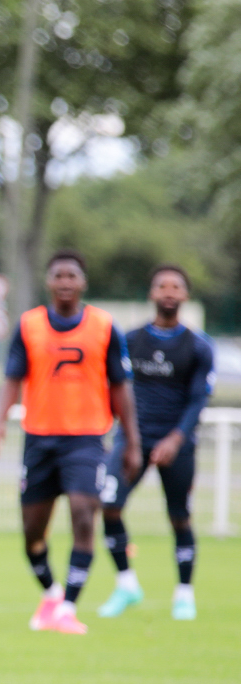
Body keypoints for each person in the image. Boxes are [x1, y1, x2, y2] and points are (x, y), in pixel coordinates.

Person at [0, 250, 140, 635]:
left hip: (87, 438)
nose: (65, 282)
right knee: (31, 532)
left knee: (82, 513)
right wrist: (0, 422)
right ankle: (52, 595)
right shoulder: (29, 326)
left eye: (72, 275)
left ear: (83, 282)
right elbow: (12, 377)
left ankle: (69, 608)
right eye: (58, 275)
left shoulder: (105, 327)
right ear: (48, 281)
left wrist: (133, 441)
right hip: (39, 438)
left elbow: (121, 388)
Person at [98, 266, 213, 621]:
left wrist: (176, 439)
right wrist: (123, 435)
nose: (168, 291)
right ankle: (127, 584)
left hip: (176, 443)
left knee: (179, 516)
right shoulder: (130, 341)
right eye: (161, 285)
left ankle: (184, 595)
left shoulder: (197, 346)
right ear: (151, 293)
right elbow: (114, 389)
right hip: (133, 439)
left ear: (185, 296)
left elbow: (198, 400)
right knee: (109, 505)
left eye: (175, 286)